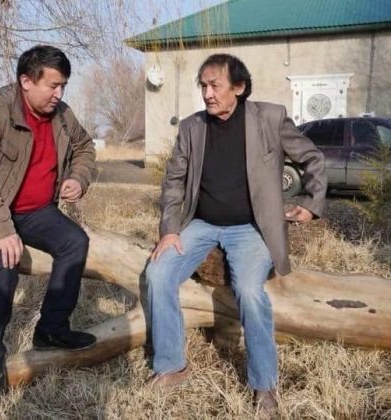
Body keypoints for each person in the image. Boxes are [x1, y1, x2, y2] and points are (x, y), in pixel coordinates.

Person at [145, 53, 326, 414]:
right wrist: (169, 230)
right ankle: (172, 366)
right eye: (203, 86)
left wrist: (311, 202)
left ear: (239, 87)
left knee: (248, 290)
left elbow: (313, 159)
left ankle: (264, 384)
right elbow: (174, 182)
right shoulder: (192, 127)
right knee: (157, 273)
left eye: (215, 85)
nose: (207, 94)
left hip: (251, 227)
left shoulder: (269, 118)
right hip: (201, 224)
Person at [0, 45, 97, 394]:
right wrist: (2, 231)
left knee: (75, 242)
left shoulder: (62, 114)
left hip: (38, 211)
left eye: (63, 86)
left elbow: (85, 147)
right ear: (26, 81)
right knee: (4, 261)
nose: (59, 94)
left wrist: (78, 178)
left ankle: (52, 329)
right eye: (53, 85)